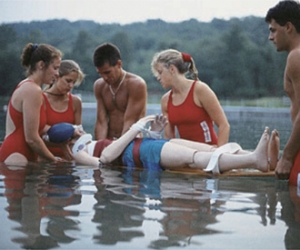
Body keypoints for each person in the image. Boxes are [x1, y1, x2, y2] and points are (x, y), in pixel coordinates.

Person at [54, 114, 278, 174]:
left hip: (145, 148)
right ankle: (254, 160)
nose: (82, 128)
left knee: (207, 149)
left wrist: (152, 133)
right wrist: (137, 128)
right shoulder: (79, 155)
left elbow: (118, 152)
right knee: (192, 159)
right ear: (70, 141)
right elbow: (105, 160)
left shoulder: (87, 145)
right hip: (143, 151)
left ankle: (265, 159)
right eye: (76, 130)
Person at [0, 43, 64, 165]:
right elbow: (32, 139)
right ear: (41, 65)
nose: (57, 74)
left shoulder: (26, 86)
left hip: (18, 155)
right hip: (17, 156)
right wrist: (54, 160)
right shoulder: (32, 90)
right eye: (55, 68)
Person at [151, 49, 230, 147]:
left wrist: (218, 155)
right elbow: (169, 137)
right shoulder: (165, 100)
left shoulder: (200, 89)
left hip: (209, 150)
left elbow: (224, 125)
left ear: (172, 69)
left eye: (160, 72)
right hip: (187, 155)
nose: (158, 77)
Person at [265, 0, 300, 186]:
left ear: (288, 27)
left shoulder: (296, 56)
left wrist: (286, 157)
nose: (270, 37)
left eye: (273, 30)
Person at [93, 42, 147, 140]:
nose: (104, 77)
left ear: (119, 64)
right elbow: (101, 122)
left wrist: (117, 148)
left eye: (107, 72)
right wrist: (100, 146)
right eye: (100, 74)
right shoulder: (99, 85)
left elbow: (130, 122)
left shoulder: (136, 84)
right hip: (109, 140)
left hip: (131, 141)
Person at [43, 60, 85, 159]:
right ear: (57, 77)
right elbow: (36, 132)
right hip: (44, 157)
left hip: (68, 158)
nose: (71, 86)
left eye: (74, 82)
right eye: (68, 81)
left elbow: (78, 131)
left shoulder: (76, 101)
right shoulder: (40, 99)